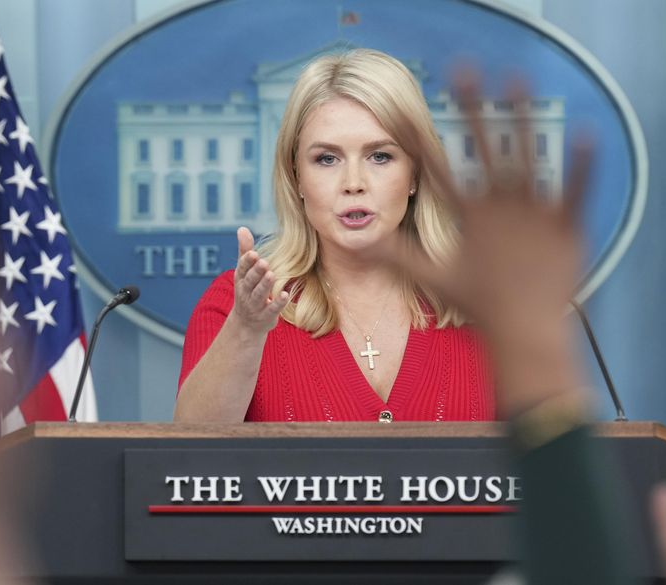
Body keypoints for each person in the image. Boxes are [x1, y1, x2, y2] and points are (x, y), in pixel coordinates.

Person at [174, 49, 496, 423]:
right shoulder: (236, 304)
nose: (353, 184)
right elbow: (189, 460)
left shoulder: (486, 305)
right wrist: (246, 331)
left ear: (415, 173)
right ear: (296, 176)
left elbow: (554, 466)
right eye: (327, 159)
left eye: (380, 157)